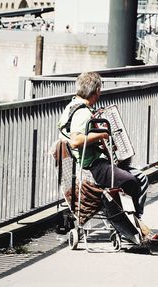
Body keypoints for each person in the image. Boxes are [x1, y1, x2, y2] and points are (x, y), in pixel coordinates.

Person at [57, 72, 147, 218]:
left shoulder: (70, 107)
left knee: (141, 177)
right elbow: (76, 141)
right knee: (131, 180)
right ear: (97, 90)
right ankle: (128, 221)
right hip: (91, 166)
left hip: (88, 163)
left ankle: (135, 217)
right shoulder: (83, 113)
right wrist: (103, 135)